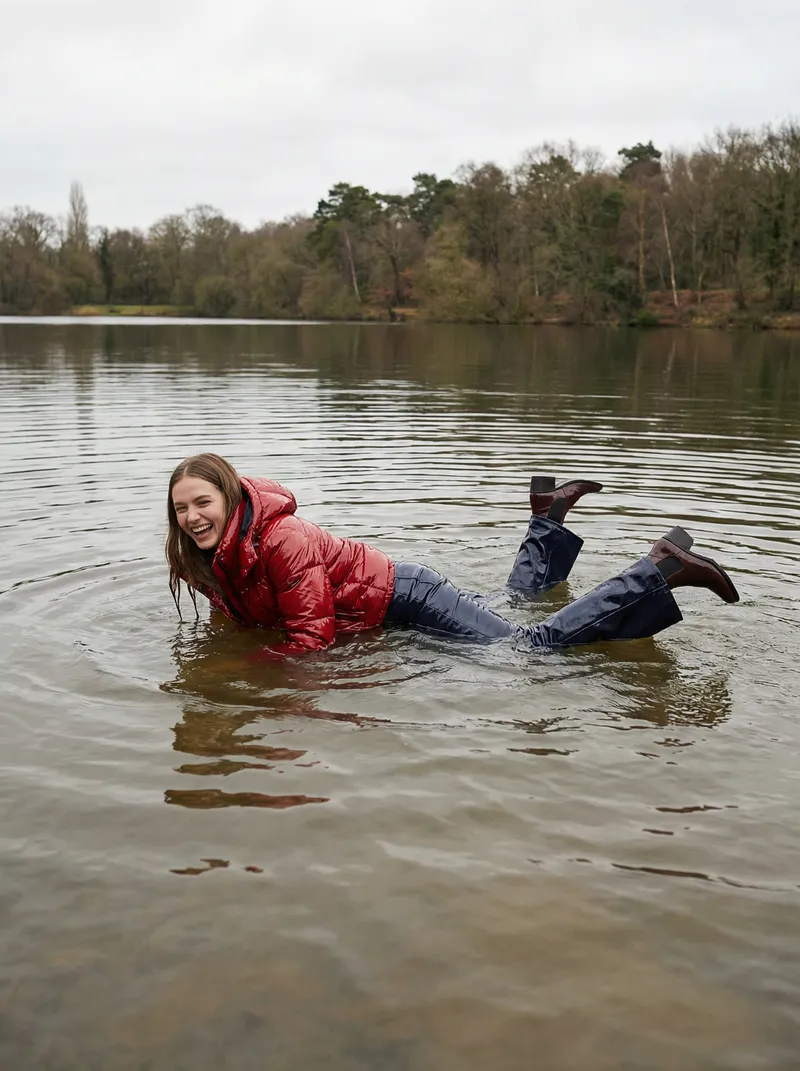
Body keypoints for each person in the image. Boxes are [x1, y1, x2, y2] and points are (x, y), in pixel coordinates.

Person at [166, 453, 739, 658]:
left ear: (230, 497)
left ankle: (660, 569)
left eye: (203, 502)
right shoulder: (202, 556)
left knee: (528, 649)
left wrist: (239, 672)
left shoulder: (281, 539)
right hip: (387, 611)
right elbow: (236, 614)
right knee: (513, 601)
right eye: (181, 508)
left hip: (408, 598)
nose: (192, 517)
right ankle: (547, 518)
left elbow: (311, 638)